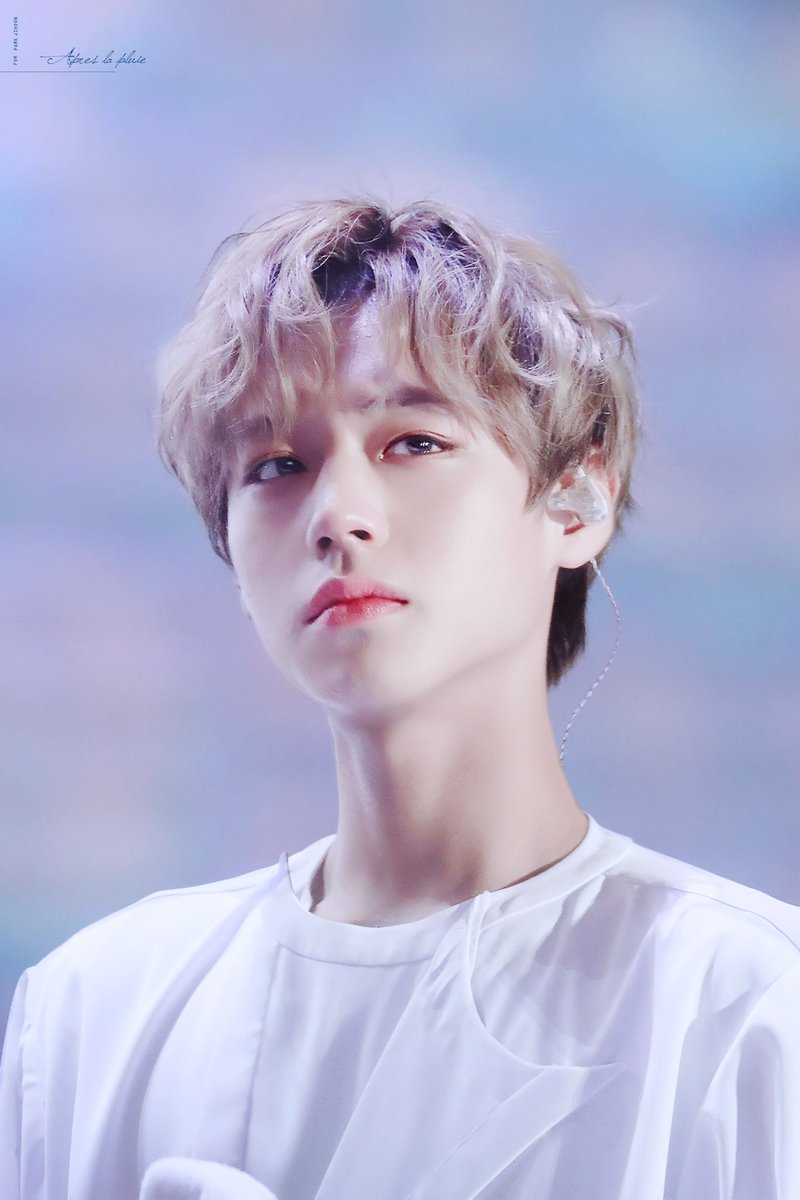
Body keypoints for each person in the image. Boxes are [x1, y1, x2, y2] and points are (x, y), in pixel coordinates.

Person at [1, 198, 798, 1200]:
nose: (338, 515)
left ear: (577, 497)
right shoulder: (93, 1015)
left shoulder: (745, 1010)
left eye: (413, 442)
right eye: (276, 466)